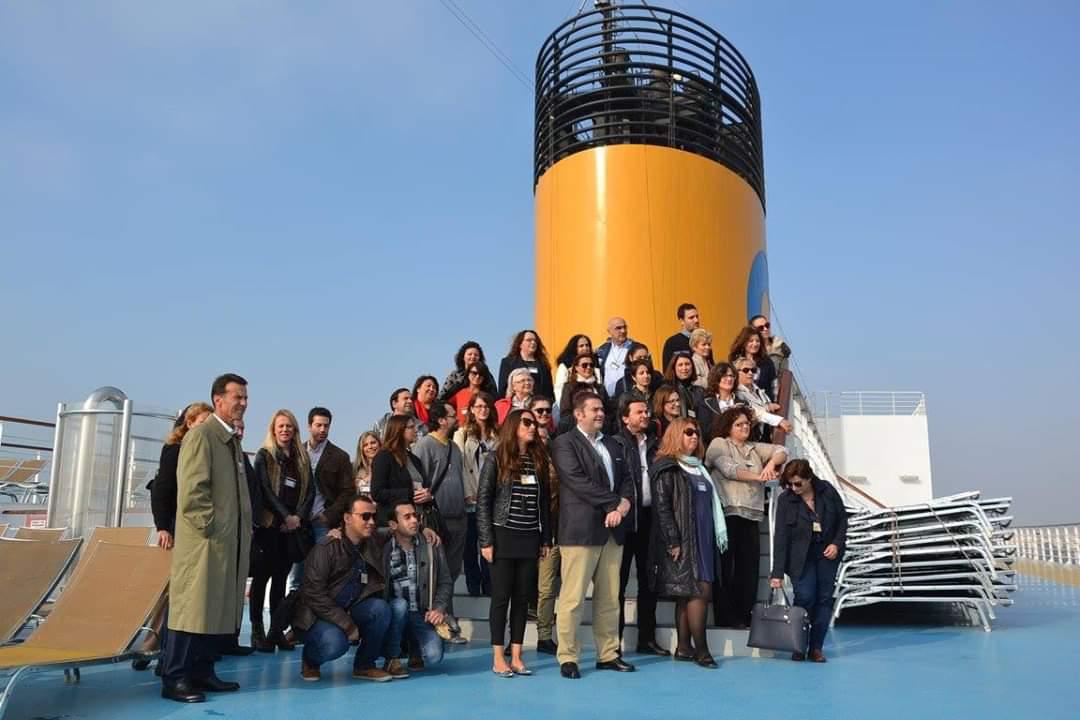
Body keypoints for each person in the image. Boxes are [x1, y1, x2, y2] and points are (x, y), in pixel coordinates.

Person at [162, 373, 253, 704]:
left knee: (213, 608)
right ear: (218, 400)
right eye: (237, 397)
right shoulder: (202, 436)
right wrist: (212, 528)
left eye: (245, 397)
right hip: (205, 543)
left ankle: (202, 671)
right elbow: (192, 493)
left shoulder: (230, 440)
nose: (243, 403)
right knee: (192, 609)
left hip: (225, 543)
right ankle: (175, 677)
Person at [551, 391, 636, 679]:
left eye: (602, 409)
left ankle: (608, 654)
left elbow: (627, 480)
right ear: (579, 414)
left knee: (609, 599)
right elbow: (577, 481)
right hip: (581, 532)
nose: (601, 413)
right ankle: (568, 657)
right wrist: (615, 504)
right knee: (573, 599)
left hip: (613, 531)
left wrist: (623, 506)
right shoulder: (564, 443)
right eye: (594, 409)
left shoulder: (613, 443)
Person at [477, 409, 553, 676]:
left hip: (530, 537)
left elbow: (544, 503)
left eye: (534, 423)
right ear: (513, 426)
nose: (533, 427)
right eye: (527, 422)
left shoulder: (538, 459)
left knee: (522, 599)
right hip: (502, 536)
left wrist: (546, 538)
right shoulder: (496, 458)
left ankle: (517, 656)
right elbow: (484, 501)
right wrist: (486, 540)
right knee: (501, 598)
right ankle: (498, 657)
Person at [648, 418, 728, 668]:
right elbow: (662, 508)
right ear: (675, 436)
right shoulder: (667, 468)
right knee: (698, 592)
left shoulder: (700, 468)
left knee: (687, 594)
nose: (695, 437)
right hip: (683, 540)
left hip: (703, 537)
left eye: (697, 433)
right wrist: (673, 540)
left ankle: (683, 647)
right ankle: (702, 651)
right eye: (688, 432)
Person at [291, 495, 395, 683]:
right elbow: (313, 595)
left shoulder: (371, 540)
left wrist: (425, 529)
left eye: (374, 516)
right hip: (316, 615)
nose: (371, 522)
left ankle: (365, 666)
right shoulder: (326, 547)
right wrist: (348, 625)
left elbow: (399, 528)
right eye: (365, 516)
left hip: (348, 609)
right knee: (336, 644)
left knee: (380, 609)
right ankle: (310, 660)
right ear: (347, 518)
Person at [705, 406, 788, 628]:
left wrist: (771, 463)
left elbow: (781, 450)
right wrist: (760, 477)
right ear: (728, 427)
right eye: (739, 424)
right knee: (727, 568)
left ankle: (744, 614)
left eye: (747, 424)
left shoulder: (753, 447)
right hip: (727, 514)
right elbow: (729, 469)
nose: (744, 427)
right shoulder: (719, 444)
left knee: (749, 569)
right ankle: (725, 616)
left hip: (751, 515)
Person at [770, 459, 847, 663]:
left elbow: (842, 520)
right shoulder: (786, 500)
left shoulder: (827, 491)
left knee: (824, 599)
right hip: (799, 557)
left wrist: (837, 544)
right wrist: (777, 572)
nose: (794, 488)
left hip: (826, 554)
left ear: (809, 478)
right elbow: (780, 536)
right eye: (790, 484)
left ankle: (816, 648)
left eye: (798, 484)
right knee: (804, 597)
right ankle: (798, 645)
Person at [251, 409, 313, 653]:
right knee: (262, 578)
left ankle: (275, 632)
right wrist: (285, 516)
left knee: (280, 580)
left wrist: (297, 518)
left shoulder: (301, 458)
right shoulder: (264, 455)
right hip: (270, 527)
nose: (285, 430)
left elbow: (310, 491)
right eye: (281, 426)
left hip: (292, 529)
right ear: (273, 429)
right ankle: (257, 630)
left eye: (289, 426)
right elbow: (265, 490)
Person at [610, 397, 667, 656]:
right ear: (625, 418)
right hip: (623, 520)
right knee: (618, 584)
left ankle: (647, 639)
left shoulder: (656, 444)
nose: (645, 415)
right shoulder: (615, 443)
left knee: (649, 582)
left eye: (646, 411)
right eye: (639, 411)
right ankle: (614, 642)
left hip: (650, 519)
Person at [412, 402, 468, 644]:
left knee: (452, 572)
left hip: (459, 518)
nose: (457, 418)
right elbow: (416, 482)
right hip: (435, 520)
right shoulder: (424, 445)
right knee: (440, 573)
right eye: (452, 415)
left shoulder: (455, 447)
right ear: (442, 420)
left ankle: (445, 617)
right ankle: (444, 622)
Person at [383, 500, 452, 674]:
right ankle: (392, 658)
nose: (414, 520)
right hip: (393, 613)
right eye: (407, 517)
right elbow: (359, 530)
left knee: (434, 656)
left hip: (421, 613)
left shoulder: (431, 544)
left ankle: (414, 649)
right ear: (393, 524)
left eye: (415, 516)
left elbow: (445, 581)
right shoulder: (383, 545)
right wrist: (337, 531)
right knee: (400, 606)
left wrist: (439, 608)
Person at [151, 402, 212, 551]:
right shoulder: (175, 450)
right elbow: (162, 488)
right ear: (190, 424)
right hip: (177, 523)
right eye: (202, 423)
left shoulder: (208, 453)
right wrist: (163, 527)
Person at [455, 391, 498, 596]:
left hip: (491, 496)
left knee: (489, 543)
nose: (483, 410)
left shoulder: (497, 434)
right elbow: (460, 465)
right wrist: (466, 492)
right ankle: (473, 585)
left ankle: (489, 585)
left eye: (486, 406)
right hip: (471, 496)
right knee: (470, 545)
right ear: (471, 409)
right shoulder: (462, 434)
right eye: (479, 406)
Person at [533, 404, 561, 655]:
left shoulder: (557, 463)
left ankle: (545, 636)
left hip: (555, 532)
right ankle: (523, 637)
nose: (542, 441)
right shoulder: (521, 464)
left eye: (545, 437)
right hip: (528, 533)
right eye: (538, 437)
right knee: (537, 588)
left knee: (548, 587)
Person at [371, 416, 427, 522]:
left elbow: (425, 485)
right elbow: (377, 493)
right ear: (399, 431)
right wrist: (409, 493)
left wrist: (428, 496)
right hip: (393, 522)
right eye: (411, 427)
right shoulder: (384, 457)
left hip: (418, 520)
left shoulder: (414, 459)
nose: (415, 430)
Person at [734, 357, 792, 440]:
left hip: (764, 434)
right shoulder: (737, 393)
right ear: (736, 373)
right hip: (749, 438)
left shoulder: (758, 390)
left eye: (753, 370)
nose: (750, 373)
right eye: (746, 370)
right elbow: (754, 412)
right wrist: (779, 420)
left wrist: (769, 406)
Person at [497, 329, 554, 401]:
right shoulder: (508, 362)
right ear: (520, 344)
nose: (533, 342)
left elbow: (549, 389)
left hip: (540, 404)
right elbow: (502, 388)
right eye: (529, 340)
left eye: (535, 341)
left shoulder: (543, 364)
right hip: (517, 403)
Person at [438, 341, 498, 405]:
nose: (473, 357)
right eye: (470, 354)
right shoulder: (454, 375)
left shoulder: (487, 374)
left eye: (476, 355)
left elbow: (495, 396)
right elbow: (442, 397)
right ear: (463, 357)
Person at [728, 326, 777, 401]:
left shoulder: (767, 362)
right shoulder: (735, 361)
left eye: (757, 341)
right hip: (741, 400)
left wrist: (774, 402)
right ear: (744, 342)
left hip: (765, 402)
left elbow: (774, 385)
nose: (755, 344)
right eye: (751, 341)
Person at [697, 363, 741, 441]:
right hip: (717, 445)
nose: (729, 379)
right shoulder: (706, 403)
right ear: (716, 378)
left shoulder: (742, 403)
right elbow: (706, 432)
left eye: (731, 376)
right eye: (724, 376)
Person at [553, 334, 599, 407]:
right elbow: (559, 389)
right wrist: (564, 407)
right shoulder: (565, 366)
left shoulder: (595, 364)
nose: (585, 348)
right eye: (581, 346)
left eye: (587, 345)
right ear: (574, 348)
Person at [596, 317, 634, 397]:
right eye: (618, 328)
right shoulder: (602, 350)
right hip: (608, 399)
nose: (623, 331)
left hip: (629, 397)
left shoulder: (635, 348)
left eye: (625, 327)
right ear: (609, 331)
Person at [662, 303, 706, 370]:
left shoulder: (704, 341)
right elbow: (667, 371)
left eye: (697, 317)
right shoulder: (671, 343)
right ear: (682, 321)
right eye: (691, 318)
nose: (696, 320)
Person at [663, 351, 704, 420]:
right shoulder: (667, 390)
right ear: (673, 368)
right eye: (680, 365)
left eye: (687, 364)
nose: (684, 368)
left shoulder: (700, 391)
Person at [750, 314, 792, 382]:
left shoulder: (780, 349)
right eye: (761, 328)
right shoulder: (748, 350)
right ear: (753, 330)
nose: (765, 329)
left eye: (767, 325)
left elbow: (783, 377)